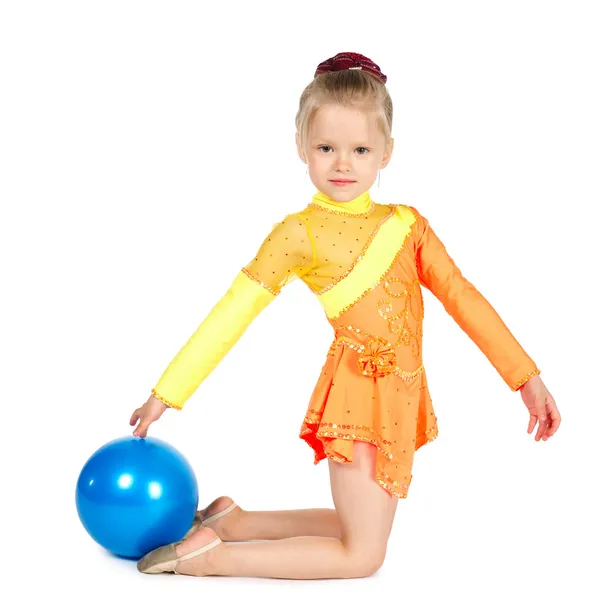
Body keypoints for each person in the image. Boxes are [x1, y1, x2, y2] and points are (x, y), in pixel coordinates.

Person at [130, 51, 561, 579]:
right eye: (326, 148)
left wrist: (526, 377)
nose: (342, 164)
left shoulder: (408, 224)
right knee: (363, 557)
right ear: (300, 148)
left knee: (354, 530)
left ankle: (234, 522)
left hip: (401, 395)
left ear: (386, 153)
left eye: (360, 149)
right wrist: (165, 394)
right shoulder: (297, 233)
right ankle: (214, 557)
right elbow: (233, 312)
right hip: (359, 392)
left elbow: (462, 297)